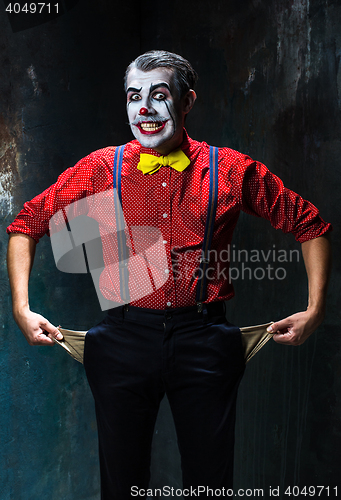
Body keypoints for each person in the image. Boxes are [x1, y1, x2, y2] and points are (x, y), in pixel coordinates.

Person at [7, 50, 331, 499]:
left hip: (205, 338)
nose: (143, 109)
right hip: (121, 338)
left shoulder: (231, 170)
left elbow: (309, 224)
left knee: (210, 487)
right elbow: (27, 223)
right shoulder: (102, 167)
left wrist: (315, 311)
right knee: (122, 488)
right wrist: (21, 308)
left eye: (158, 96)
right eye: (133, 96)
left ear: (187, 101)